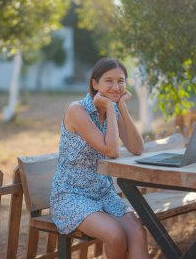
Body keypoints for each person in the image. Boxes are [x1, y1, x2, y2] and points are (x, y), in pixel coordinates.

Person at [50, 57, 150, 259]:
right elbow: (111, 150)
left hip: (103, 193)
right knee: (115, 235)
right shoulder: (77, 110)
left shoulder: (111, 107)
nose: (116, 87)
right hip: (72, 195)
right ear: (94, 84)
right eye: (109, 81)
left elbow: (137, 147)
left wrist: (121, 106)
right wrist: (112, 110)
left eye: (121, 81)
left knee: (138, 232)